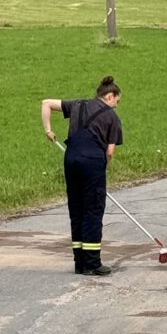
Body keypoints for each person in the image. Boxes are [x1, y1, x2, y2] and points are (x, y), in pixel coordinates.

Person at [41, 76, 124, 275]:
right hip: (93, 161)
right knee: (93, 209)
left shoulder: (77, 105)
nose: (116, 106)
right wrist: (102, 169)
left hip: (71, 158)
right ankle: (93, 263)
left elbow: (46, 103)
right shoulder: (112, 118)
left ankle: (80, 263)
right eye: (117, 102)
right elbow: (110, 152)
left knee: (76, 208)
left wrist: (48, 130)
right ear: (110, 96)